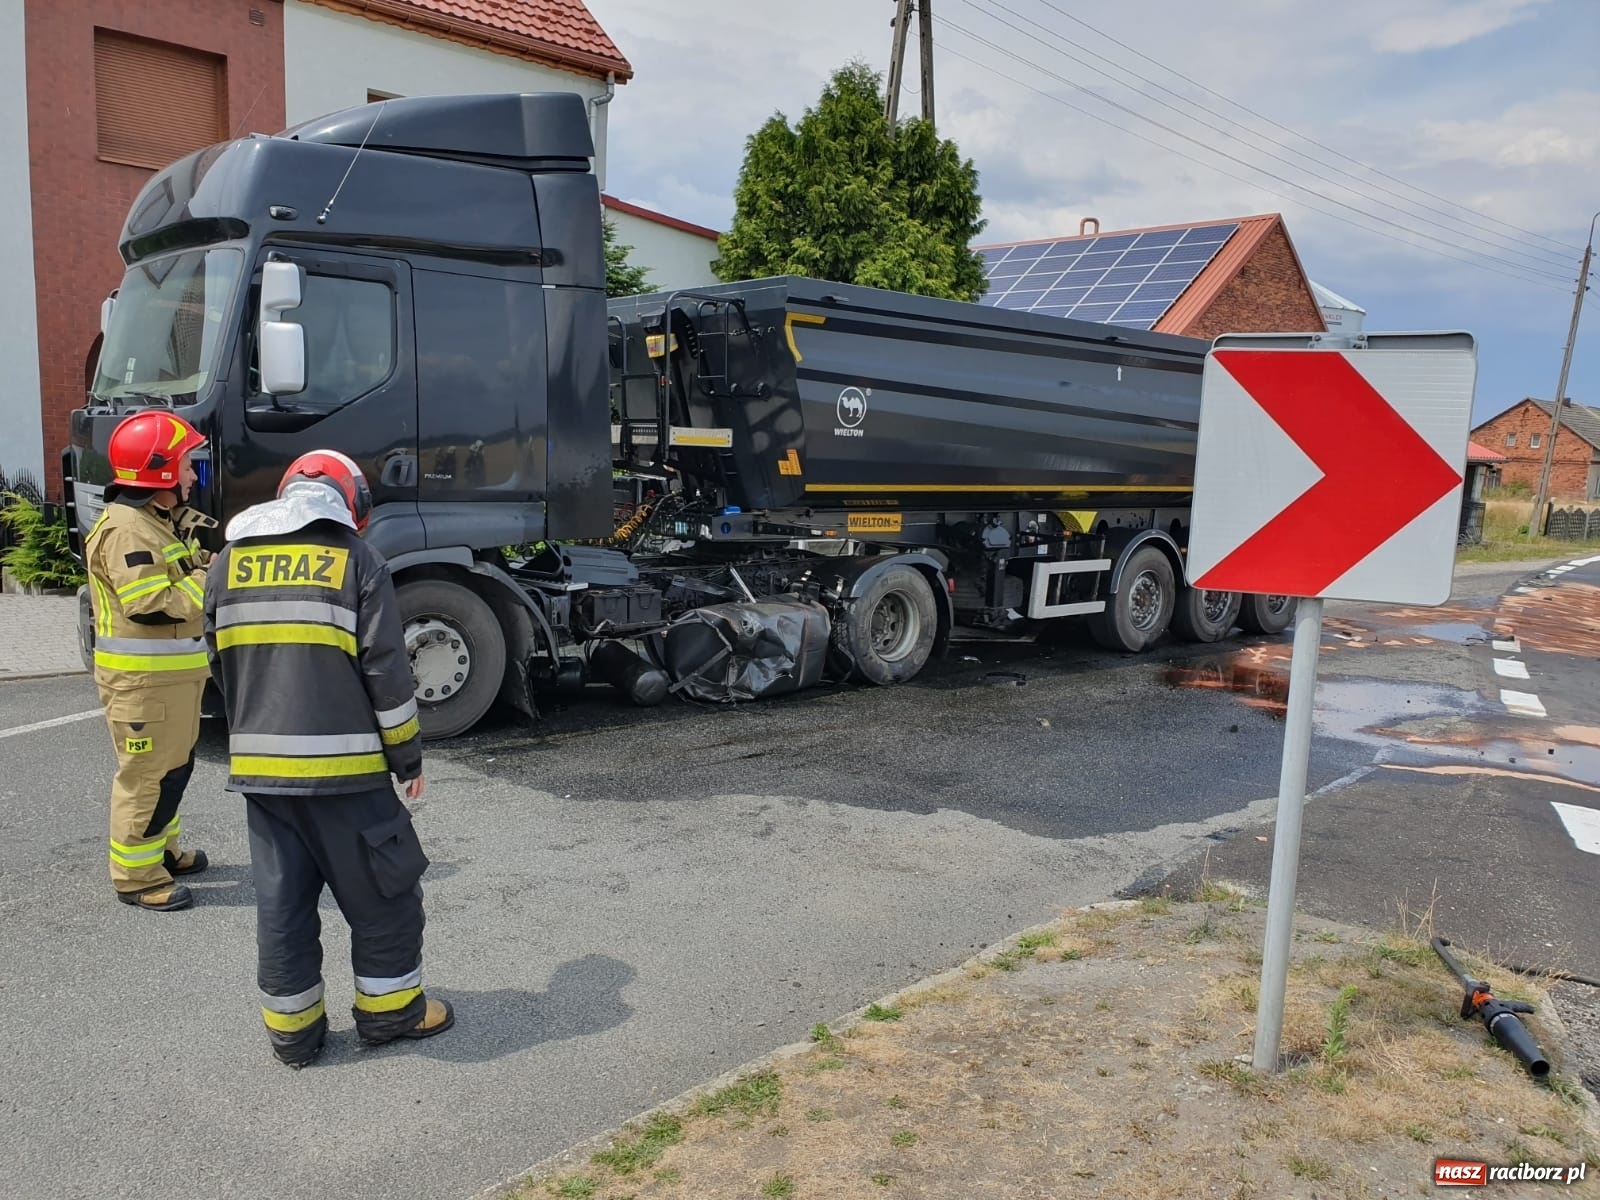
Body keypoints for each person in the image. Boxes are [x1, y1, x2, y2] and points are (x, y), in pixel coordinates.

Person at [202, 449, 452, 1067]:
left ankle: (294, 1036)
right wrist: (408, 760)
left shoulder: (229, 561)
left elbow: (218, 661)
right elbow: (388, 672)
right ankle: (391, 1014)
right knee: (385, 894)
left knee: (282, 905)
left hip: (261, 773)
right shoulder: (355, 559)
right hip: (348, 772)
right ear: (351, 503)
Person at [85, 410, 213, 912]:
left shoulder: (154, 522)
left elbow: (178, 573)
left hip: (168, 680)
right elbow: (151, 603)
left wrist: (201, 563)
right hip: (145, 685)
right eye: (184, 465)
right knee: (147, 774)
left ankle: (162, 849)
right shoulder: (128, 530)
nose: (190, 475)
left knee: (173, 768)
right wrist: (212, 583)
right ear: (159, 473)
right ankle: (136, 876)